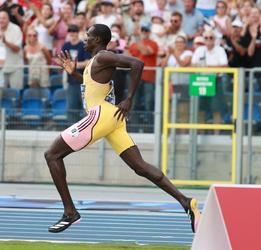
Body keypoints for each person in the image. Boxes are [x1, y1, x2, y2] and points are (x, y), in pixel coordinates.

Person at [44, 23, 200, 234]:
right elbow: (92, 89)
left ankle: (70, 212)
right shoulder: (94, 61)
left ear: (98, 40)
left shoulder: (103, 57)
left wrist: (129, 99)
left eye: (88, 36)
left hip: (102, 116)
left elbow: (137, 63)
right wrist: (73, 73)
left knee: (52, 154)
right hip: (112, 119)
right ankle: (186, 202)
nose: (84, 39)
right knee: (141, 167)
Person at [61, 24, 90, 123]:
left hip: (83, 80)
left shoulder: (83, 45)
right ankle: (71, 129)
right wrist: (69, 65)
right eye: (70, 31)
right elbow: (62, 60)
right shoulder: (66, 45)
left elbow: (87, 62)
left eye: (74, 31)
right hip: (71, 81)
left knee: (85, 107)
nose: (72, 33)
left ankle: (85, 129)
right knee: (71, 106)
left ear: (78, 32)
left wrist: (73, 65)